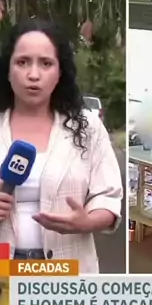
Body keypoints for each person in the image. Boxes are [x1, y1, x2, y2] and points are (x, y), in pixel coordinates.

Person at [0, 17, 123, 272]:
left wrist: (87, 222)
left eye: (46, 63)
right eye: (22, 62)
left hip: (68, 267)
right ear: (8, 70)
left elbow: (108, 195)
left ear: (60, 72)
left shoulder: (87, 127)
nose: (33, 75)